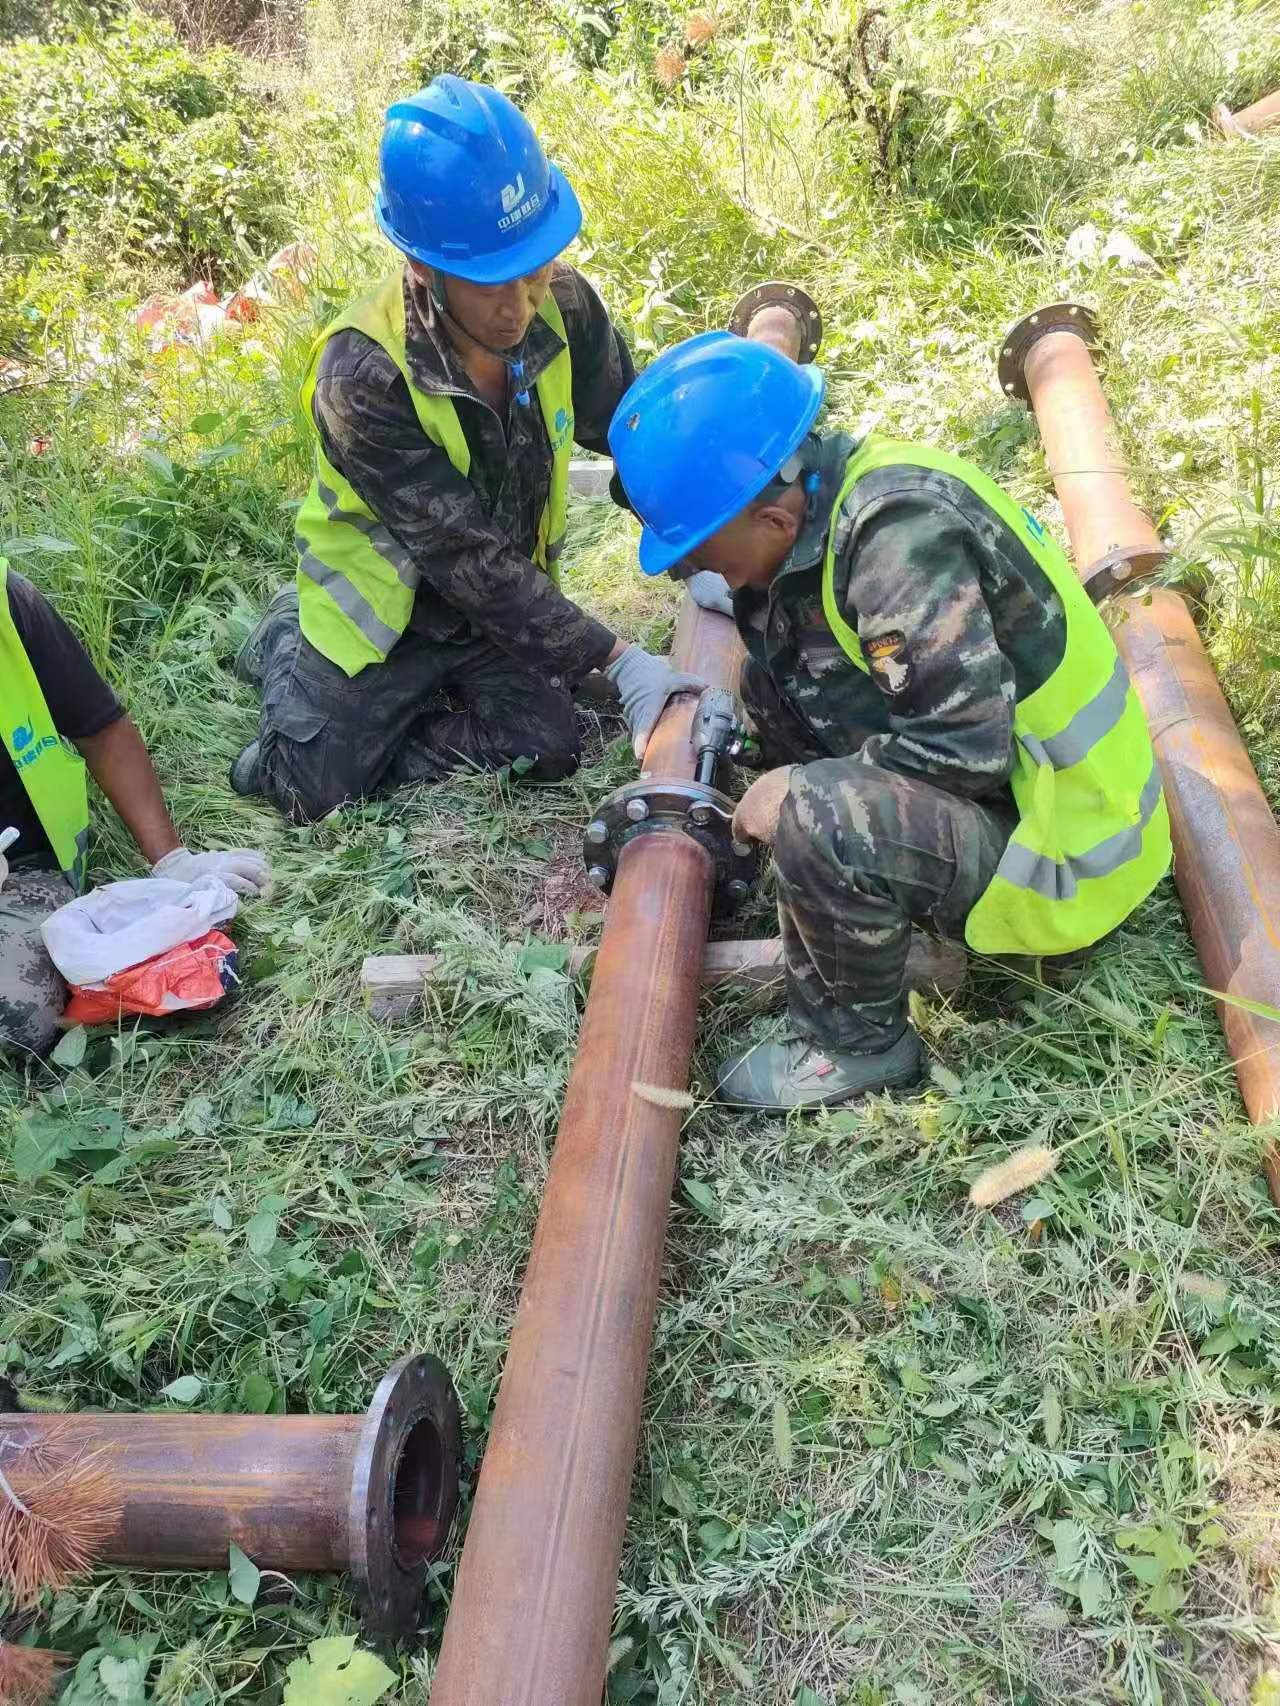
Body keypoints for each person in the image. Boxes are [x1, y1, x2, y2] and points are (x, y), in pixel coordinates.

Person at [608, 333, 1172, 1109]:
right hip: (1015, 789)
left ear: (775, 518)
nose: (689, 571)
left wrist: (801, 790)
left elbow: (965, 748)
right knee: (769, 672)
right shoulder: (828, 501)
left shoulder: (900, 541)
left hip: (1065, 851)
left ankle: (856, 1043)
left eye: (699, 552)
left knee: (820, 813)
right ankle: (843, 877)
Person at [232, 75, 703, 820]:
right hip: (389, 619)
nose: (520, 306)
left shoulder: (564, 307)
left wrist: (695, 551)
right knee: (309, 793)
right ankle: (284, 641)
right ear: (424, 268)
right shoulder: (362, 374)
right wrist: (615, 660)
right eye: (490, 285)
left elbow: (629, 432)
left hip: (495, 608)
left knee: (549, 745)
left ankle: (407, 718)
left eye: (534, 268)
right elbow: (465, 556)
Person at [0, 560, 270, 1057]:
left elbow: (100, 728)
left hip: (20, 873)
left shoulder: (8, 603)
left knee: (14, 1019)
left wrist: (172, 861)